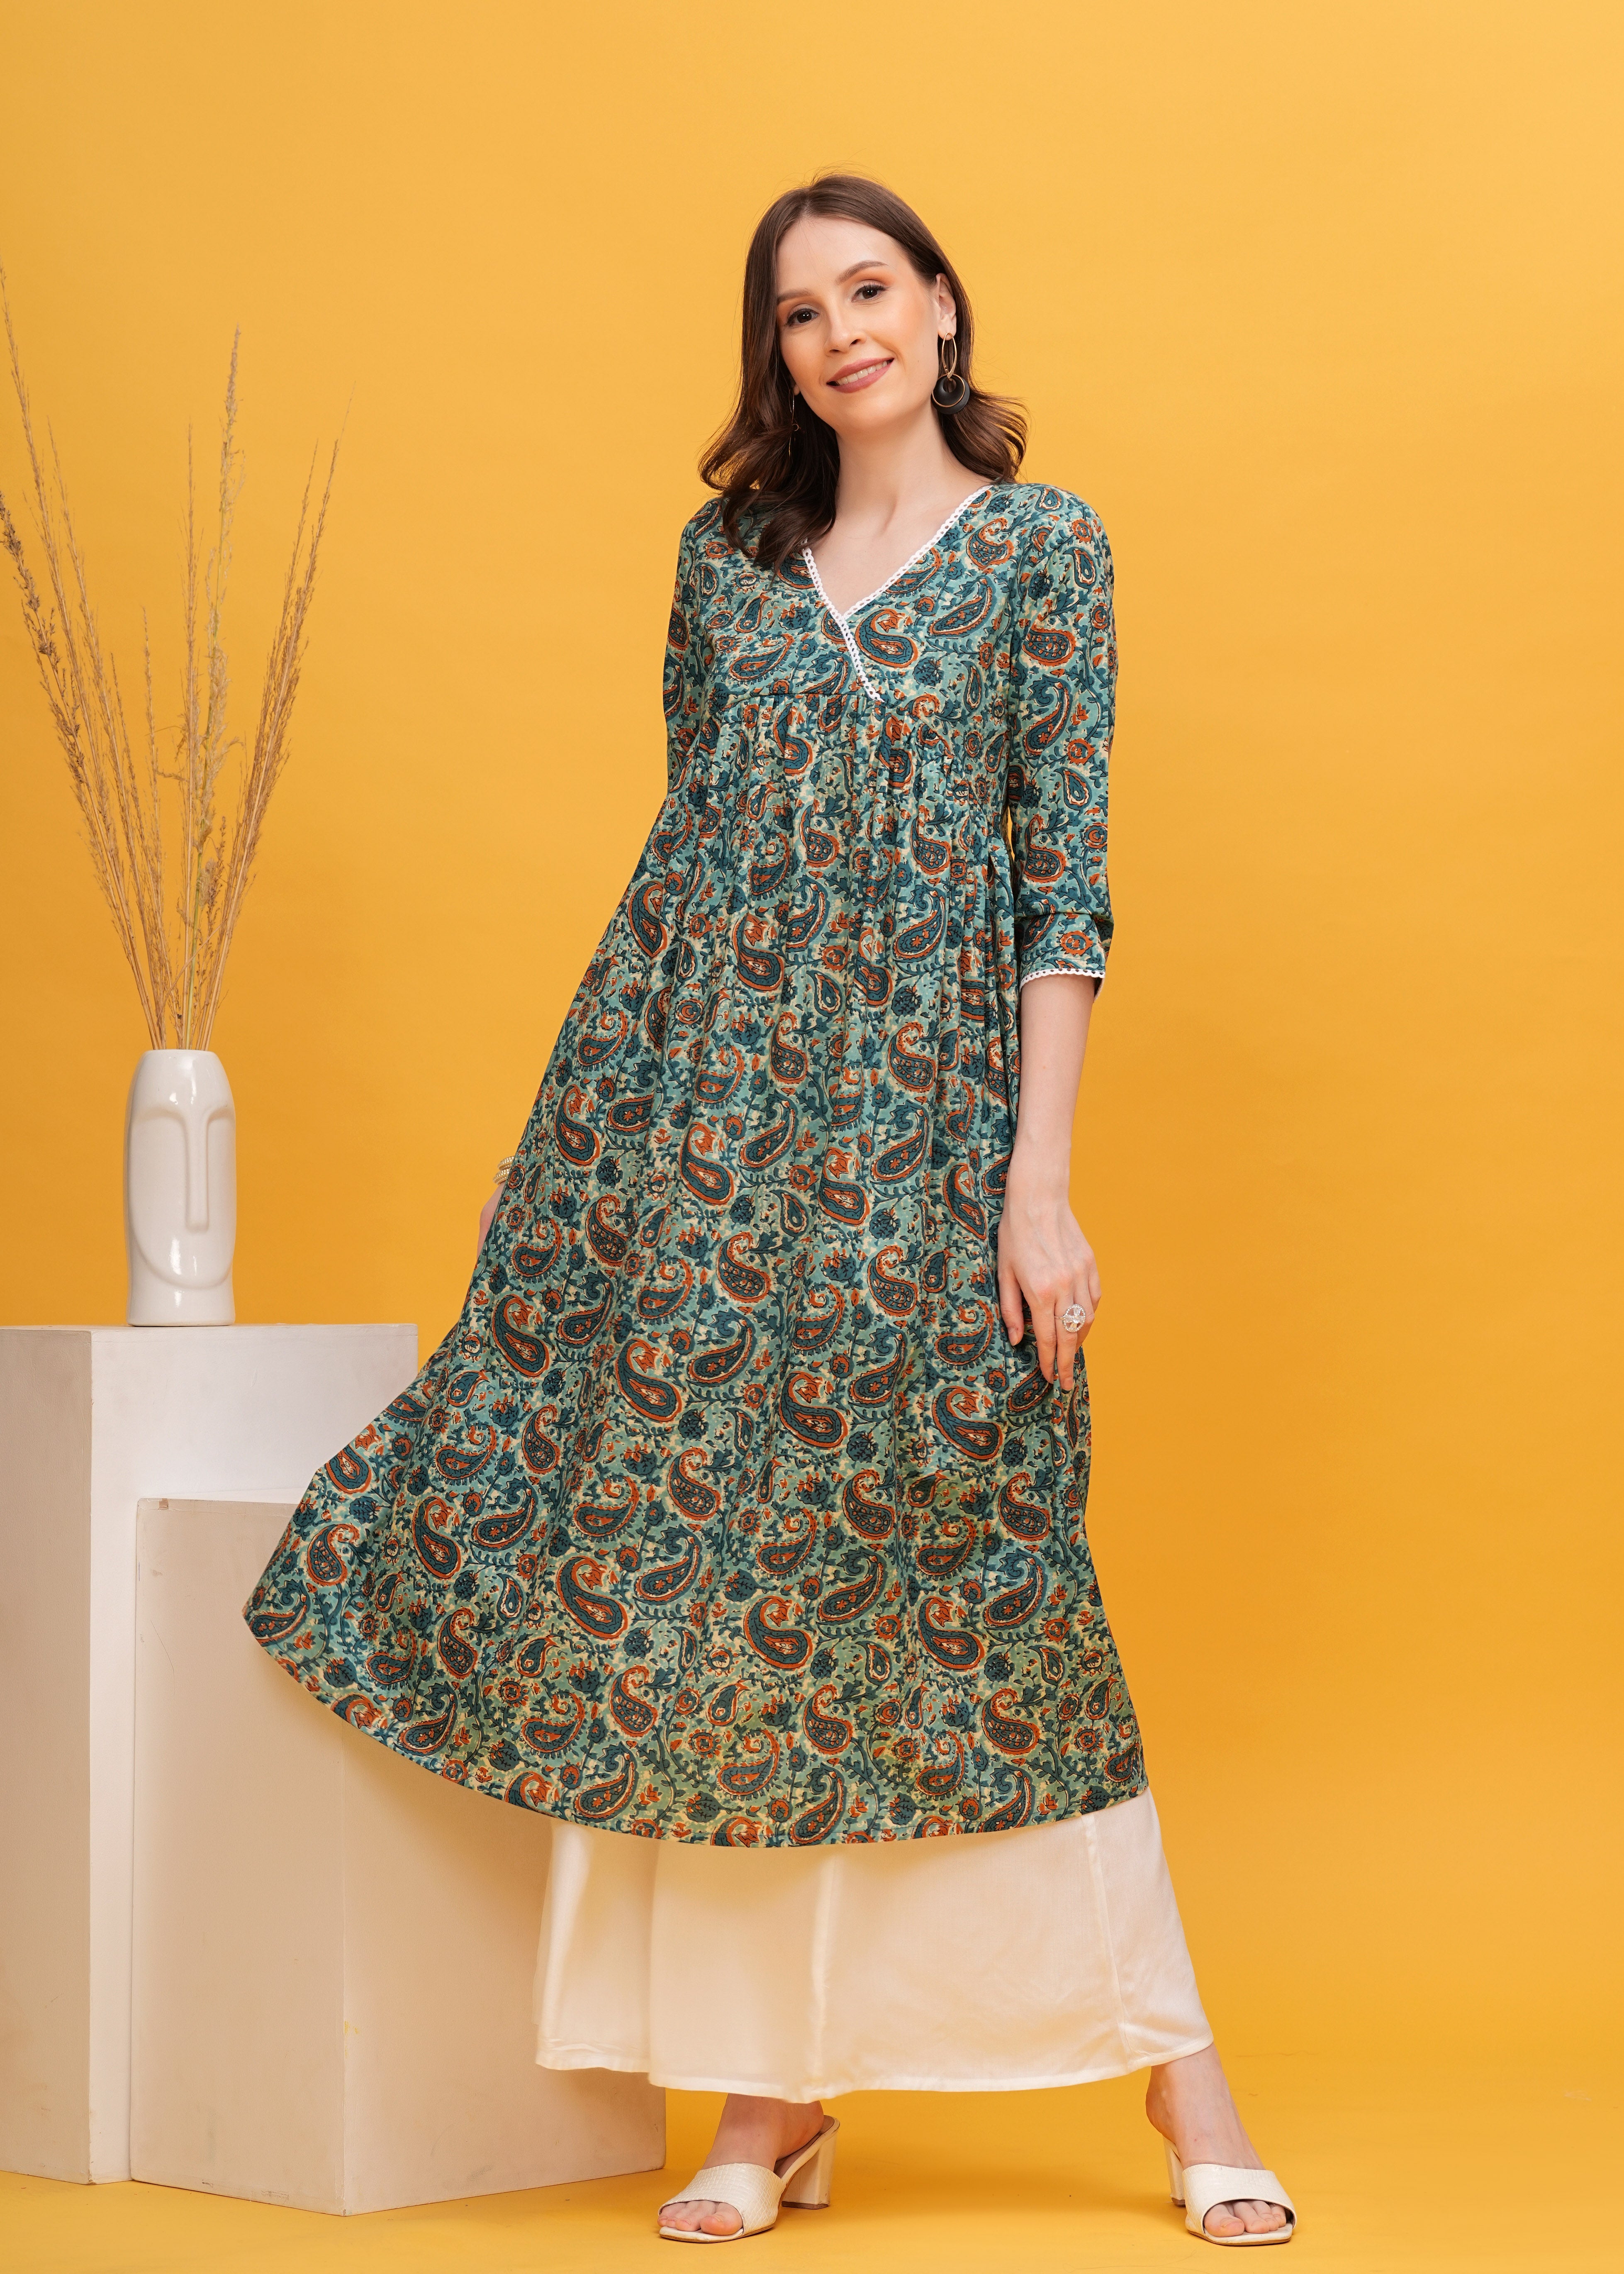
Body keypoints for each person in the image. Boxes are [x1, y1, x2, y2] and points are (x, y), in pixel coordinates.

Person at [245, 173, 1295, 2249]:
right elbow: (698, 854)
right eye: (801, 311)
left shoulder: (1046, 554)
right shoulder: (723, 564)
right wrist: (619, 1156)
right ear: (780, 354)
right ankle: (773, 2098)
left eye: (870, 288)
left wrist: (1036, 1186)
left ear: (944, 308)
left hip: (930, 1150)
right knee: (739, 1608)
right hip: (704, 1139)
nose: (841, 333)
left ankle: (1189, 2092)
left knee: (993, 1595)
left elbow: (1059, 888)